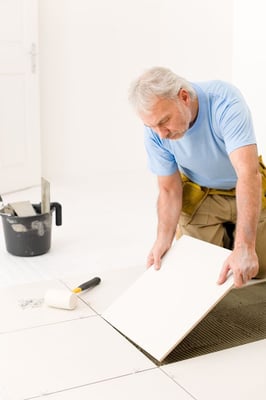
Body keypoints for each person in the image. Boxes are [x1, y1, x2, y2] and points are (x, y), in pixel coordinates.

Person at [128, 66, 266, 288]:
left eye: (164, 121)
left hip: (244, 186)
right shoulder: (156, 131)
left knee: (258, 268)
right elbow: (169, 189)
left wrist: (245, 247)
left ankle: (235, 239)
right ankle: (228, 238)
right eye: (151, 126)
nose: (161, 133)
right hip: (202, 194)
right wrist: (163, 239)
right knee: (203, 272)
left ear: (184, 97)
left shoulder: (225, 102)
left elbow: (248, 175)